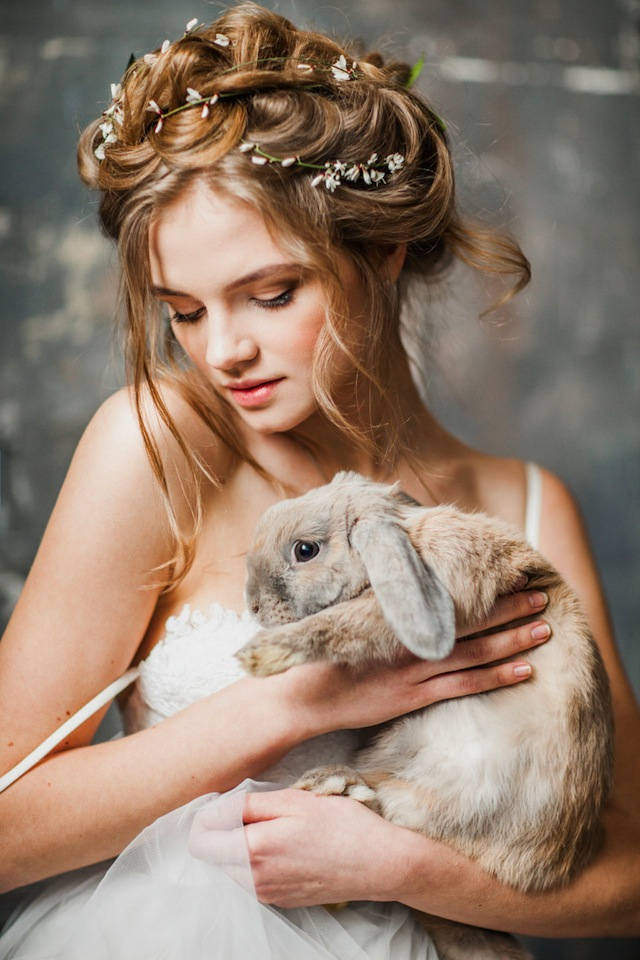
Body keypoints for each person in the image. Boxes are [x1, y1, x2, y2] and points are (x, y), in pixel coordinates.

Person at [0, 2, 638, 956]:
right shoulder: (163, 446)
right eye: (183, 311)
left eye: (272, 293)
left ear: (380, 254)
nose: (225, 351)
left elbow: (627, 879)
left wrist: (398, 865)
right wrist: (306, 700)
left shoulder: (527, 506)